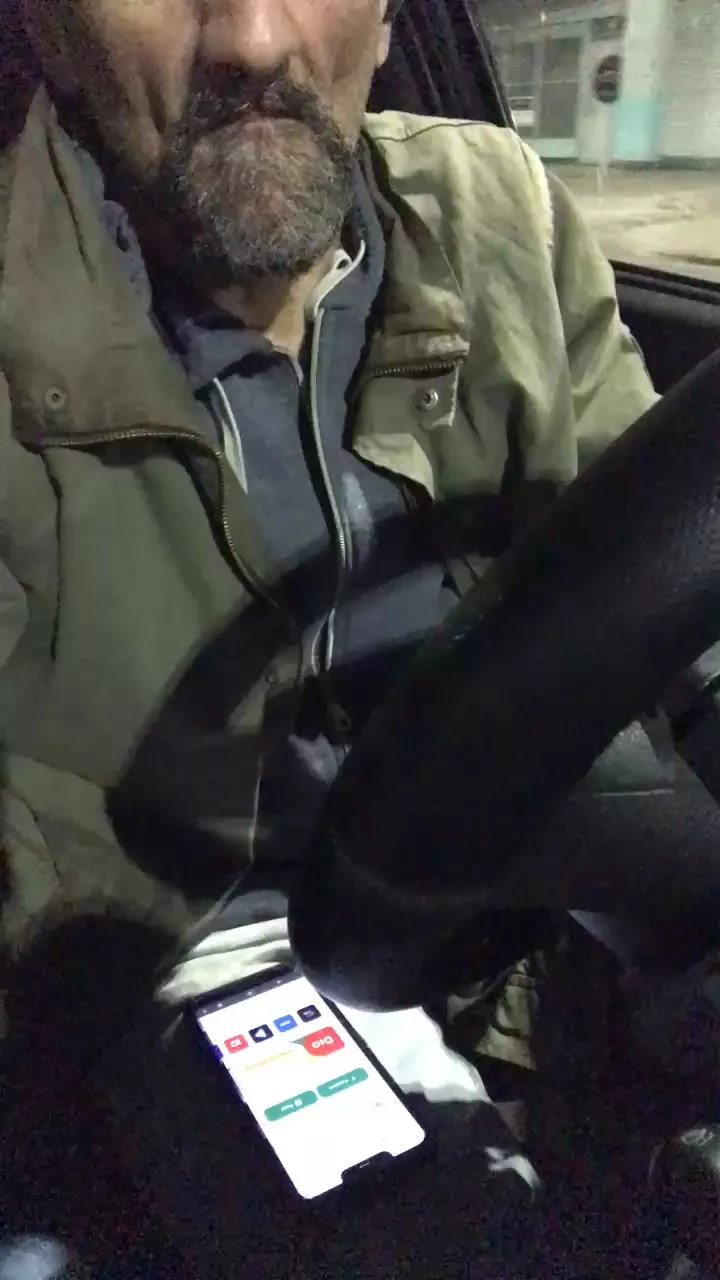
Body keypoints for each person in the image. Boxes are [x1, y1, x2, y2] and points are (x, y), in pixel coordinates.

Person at [0, 0, 659, 1268]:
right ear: (46, 28)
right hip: (178, 975)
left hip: (540, 929)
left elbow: (671, 593)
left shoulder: (500, 214)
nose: (252, 40)